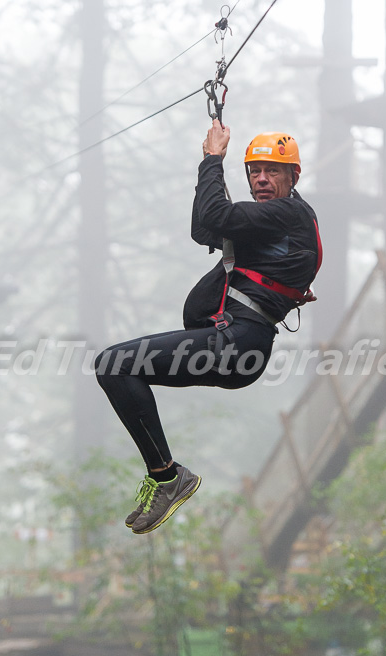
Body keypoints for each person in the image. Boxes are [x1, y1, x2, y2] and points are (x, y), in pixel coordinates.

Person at [96, 119, 322, 535]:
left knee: (115, 364)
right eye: (254, 170)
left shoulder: (289, 214)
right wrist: (210, 169)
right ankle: (165, 475)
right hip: (233, 343)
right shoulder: (269, 225)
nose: (261, 179)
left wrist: (212, 158)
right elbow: (205, 226)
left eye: (272, 171)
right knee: (115, 367)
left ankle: (167, 477)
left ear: (294, 176)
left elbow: (216, 213)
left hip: (238, 343)